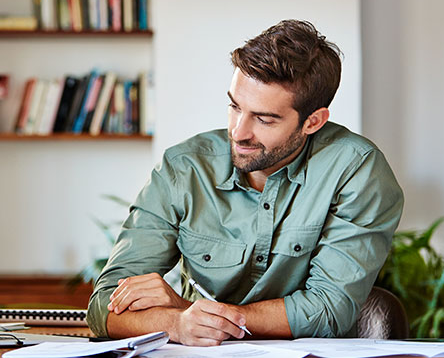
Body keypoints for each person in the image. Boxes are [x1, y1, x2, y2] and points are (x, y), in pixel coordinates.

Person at [86, 20, 404, 346]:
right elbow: (103, 307)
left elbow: (327, 310)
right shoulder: (183, 169)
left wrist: (195, 311)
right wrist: (177, 323)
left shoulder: (356, 170)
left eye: (264, 119)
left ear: (313, 121)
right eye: (234, 107)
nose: (238, 132)